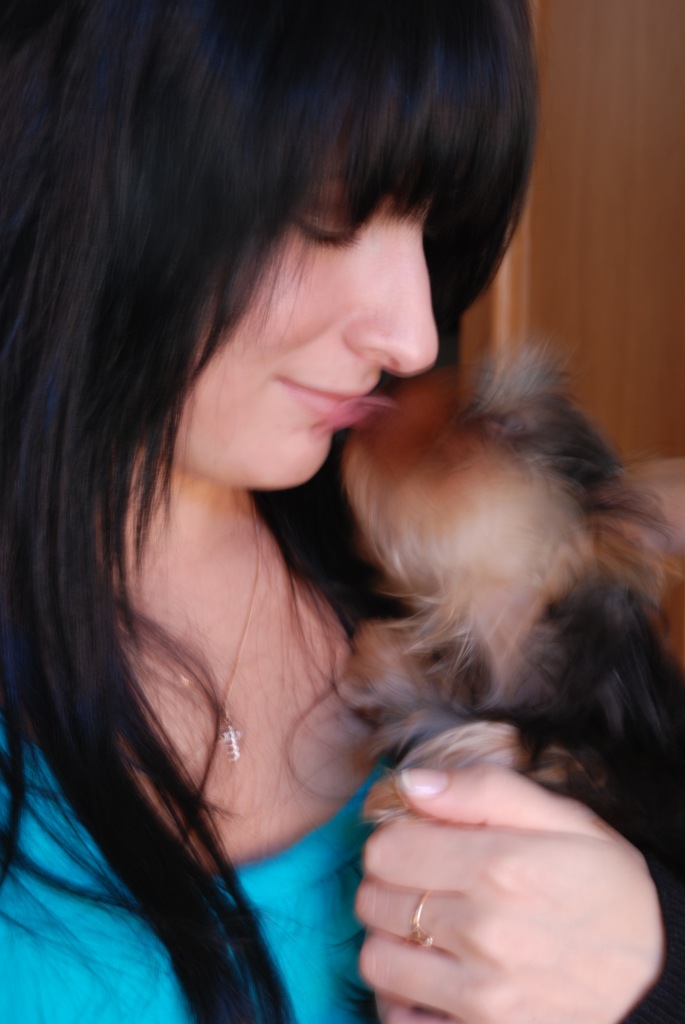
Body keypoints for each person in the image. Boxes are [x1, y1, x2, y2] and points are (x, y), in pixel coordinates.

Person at [0, 1, 682, 1022]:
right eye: (326, 213)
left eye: (425, 223)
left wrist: (653, 965)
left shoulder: (433, 572)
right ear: (88, 153)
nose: (414, 337)